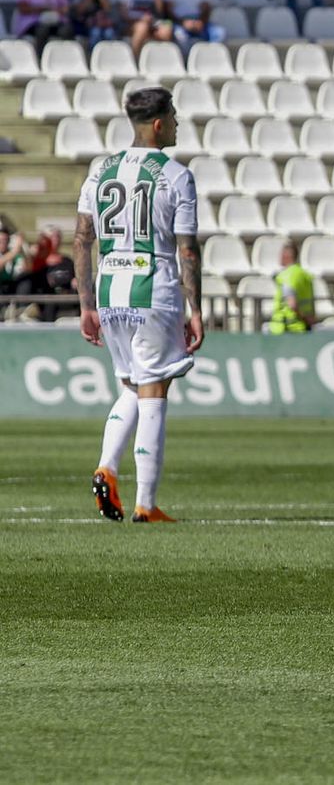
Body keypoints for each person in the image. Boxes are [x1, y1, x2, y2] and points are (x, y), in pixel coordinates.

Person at [73, 88, 203, 524]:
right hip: (154, 288)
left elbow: (82, 238)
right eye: (174, 116)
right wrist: (196, 309)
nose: (178, 123)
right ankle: (147, 503)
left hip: (111, 290)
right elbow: (187, 250)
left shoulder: (100, 171)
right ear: (160, 124)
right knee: (154, 390)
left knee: (131, 384)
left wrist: (85, 303)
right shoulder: (176, 175)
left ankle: (107, 466)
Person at [267, 240, 316, 334]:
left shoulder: (286, 275)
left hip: (286, 329)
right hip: (303, 329)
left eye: (281, 254)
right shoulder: (305, 275)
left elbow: (292, 304)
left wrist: (303, 317)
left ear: (286, 256)